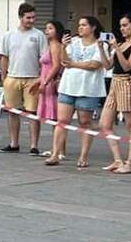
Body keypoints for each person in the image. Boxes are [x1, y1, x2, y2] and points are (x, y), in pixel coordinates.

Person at [46, 16, 112, 169]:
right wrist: (63, 47)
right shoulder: (73, 42)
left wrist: (73, 64)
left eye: (84, 25)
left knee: (85, 122)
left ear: (93, 27)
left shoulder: (100, 45)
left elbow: (94, 64)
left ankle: (83, 156)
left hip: (88, 88)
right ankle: (55, 153)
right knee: (62, 120)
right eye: (79, 25)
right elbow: (64, 61)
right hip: (68, 86)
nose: (80, 27)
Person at [0, 3, 46, 155]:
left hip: (32, 78)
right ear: (20, 17)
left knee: (32, 112)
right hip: (12, 77)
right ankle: (13, 143)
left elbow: (43, 59)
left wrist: (41, 78)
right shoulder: (9, 35)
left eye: (33, 17)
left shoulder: (39, 35)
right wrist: (4, 77)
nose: (31, 20)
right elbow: (4, 57)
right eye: (28, 17)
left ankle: (33, 145)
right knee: (12, 112)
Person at [100, 13, 131, 174]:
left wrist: (117, 48)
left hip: (127, 83)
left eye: (125, 25)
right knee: (105, 124)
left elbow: (127, 66)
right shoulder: (121, 44)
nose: (122, 29)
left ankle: (130, 162)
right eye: (121, 26)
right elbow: (107, 66)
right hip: (114, 82)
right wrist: (102, 48)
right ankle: (118, 159)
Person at [37, 20, 65, 125]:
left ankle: (57, 141)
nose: (47, 31)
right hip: (46, 79)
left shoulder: (55, 45)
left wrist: (45, 82)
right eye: (46, 28)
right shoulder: (51, 45)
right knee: (53, 117)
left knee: (55, 116)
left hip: (50, 81)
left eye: (50, 28)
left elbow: (56, 65)